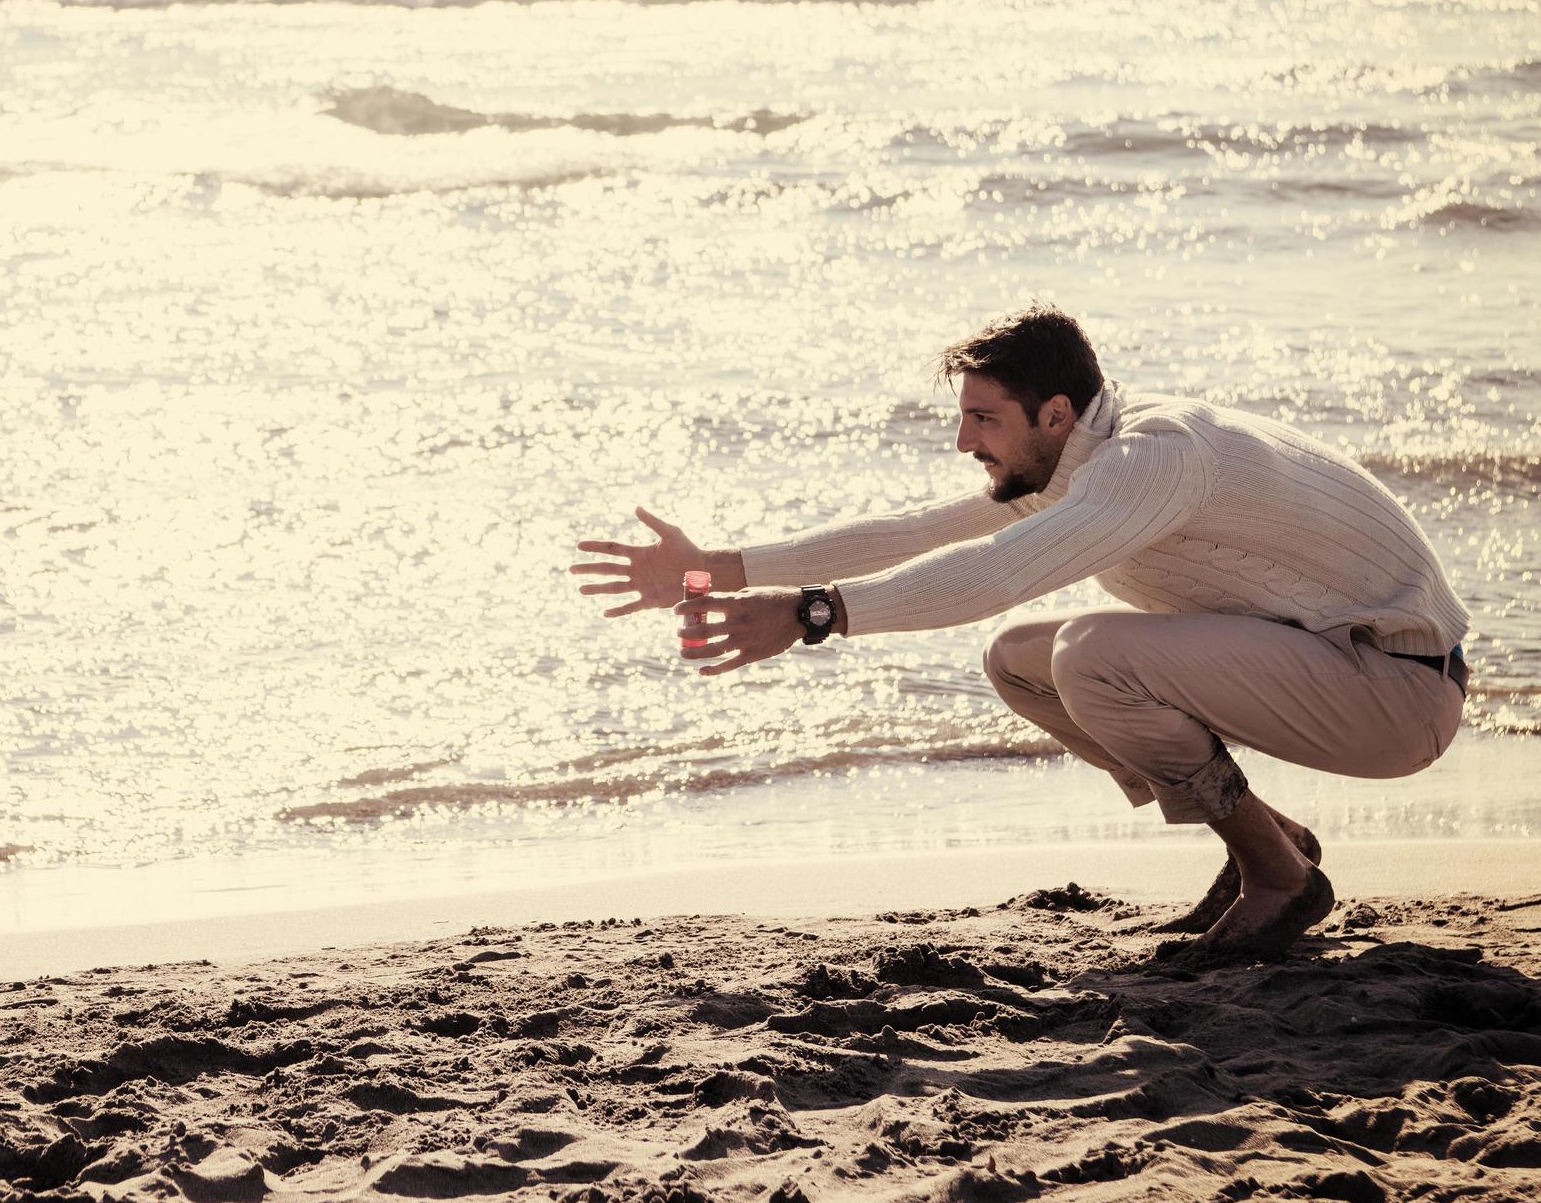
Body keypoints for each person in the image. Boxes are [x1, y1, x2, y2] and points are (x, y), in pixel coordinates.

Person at [571, 306, 1471, 960]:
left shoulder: (1150, 461)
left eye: (982, 418)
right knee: (1021, 660)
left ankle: (1278, 882)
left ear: (1053, 414)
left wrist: (813, 615)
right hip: (1335, 668)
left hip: (1392, 689)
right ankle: (1274, 843)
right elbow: (916, 532)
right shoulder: (1087, 452)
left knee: (1094, 655)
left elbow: (994, 574)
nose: (965, 440)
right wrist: (704, 571)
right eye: (963, 416)